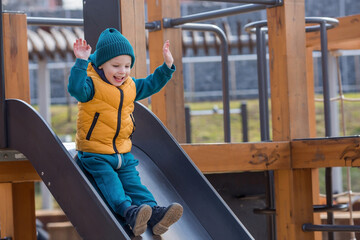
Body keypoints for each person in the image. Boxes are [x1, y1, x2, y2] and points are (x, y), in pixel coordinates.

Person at [68, 28, 183, 236]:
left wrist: (167, 67)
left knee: (134, 183)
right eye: (116, 65)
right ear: (101, 64)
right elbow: (75, 89)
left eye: (127, 66)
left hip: (122, 152)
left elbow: (150, 84)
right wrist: (81, 62)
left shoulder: (129, 86)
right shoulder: (91, 84)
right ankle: (128, 212)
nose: (122, 71)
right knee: (111, 183)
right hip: (95, 153)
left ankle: (154, 214)